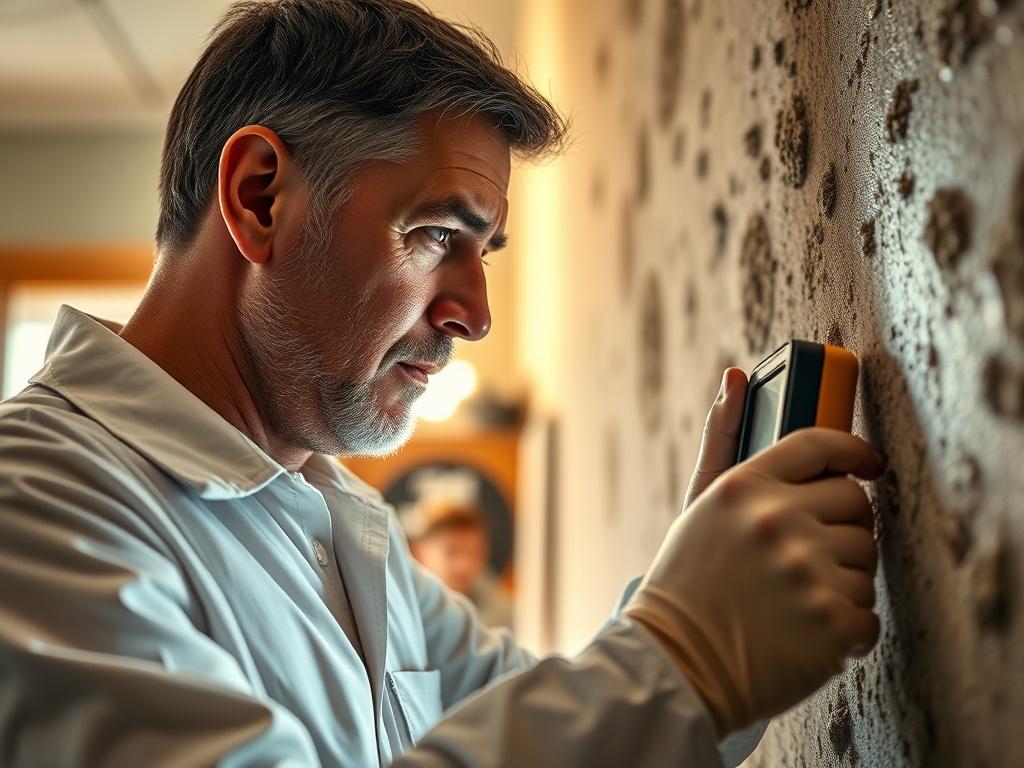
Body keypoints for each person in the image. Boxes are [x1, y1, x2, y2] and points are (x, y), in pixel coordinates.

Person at [0, 1, 884, 766]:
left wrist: (699, 604)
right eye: (434, 235)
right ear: (261, 196)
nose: (474, 313)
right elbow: (634, 699)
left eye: (482, 250)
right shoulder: (37, 509)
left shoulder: (333, 520)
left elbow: (549, 712)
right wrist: (687, 658)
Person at [405, 499, 513, 629]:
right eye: (452, 552)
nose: (464, 565)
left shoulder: (507, 616)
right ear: (419, 552)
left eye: (476, 553)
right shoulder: (398, 610)